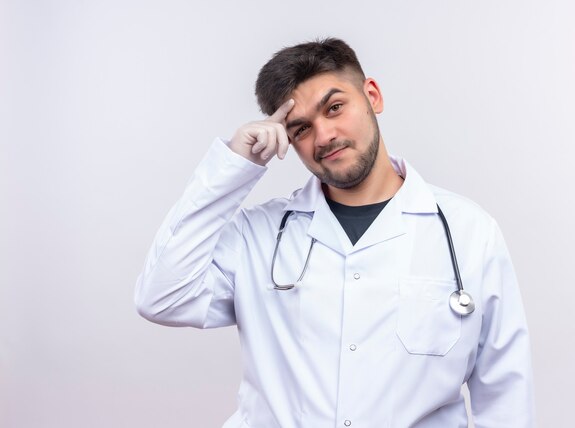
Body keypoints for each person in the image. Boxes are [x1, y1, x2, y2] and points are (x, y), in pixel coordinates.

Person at [135, 38, 535, 427]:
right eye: (301, 129)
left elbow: (504, 396)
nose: (324, 136)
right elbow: (161, 297)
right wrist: (234, 167)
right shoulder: (257, 236)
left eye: (335, 107)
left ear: (372, 96)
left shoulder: (468, 232)